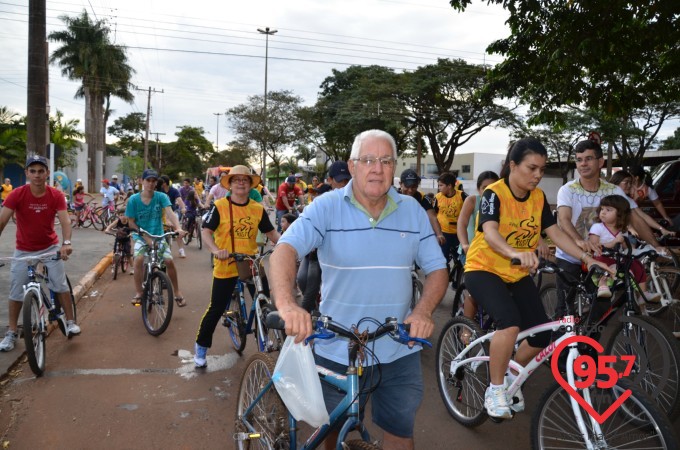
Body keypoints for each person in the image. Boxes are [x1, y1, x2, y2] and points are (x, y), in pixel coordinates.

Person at [269, 129, 448, 450]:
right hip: (335, 346)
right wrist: (288, 303)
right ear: (352, 166)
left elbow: (437, 269)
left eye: (385, 161)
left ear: (394, 167)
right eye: (367, 160)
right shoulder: (326, 207)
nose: (376, 168)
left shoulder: (412, 210)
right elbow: (285, 249)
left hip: (397, 348)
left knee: (400, 435)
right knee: (333, 433)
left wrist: (423, 311)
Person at [464, 138, 611, 419]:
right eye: (532, 168)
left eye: (542, 169)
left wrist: (588, 260)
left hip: (516, 273)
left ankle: (508, 377)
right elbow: (491, 232)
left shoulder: (538, 197)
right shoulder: (494, 194)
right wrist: (513, 252)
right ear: (512, 166)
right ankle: (494, 389)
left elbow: (555, 233)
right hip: (484, 269)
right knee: (509, 323)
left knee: (542, 334)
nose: (537, 175)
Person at [554, 139, 665, 318]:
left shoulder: (613, 190)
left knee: (602, 307)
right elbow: (564, 219)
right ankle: (562, 342)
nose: (583, 163)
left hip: (603, 257)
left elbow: (635, 218)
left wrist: (655, 244)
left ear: (600, 162)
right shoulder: (567, 190)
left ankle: (589, 343)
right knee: (565, 310)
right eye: (579, 159)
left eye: (588, 158)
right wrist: (579, 241)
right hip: (571, 255)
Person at [194, 165, 280, 367]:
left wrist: (286, 246)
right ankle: (201, 346)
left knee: (265, 303)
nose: (241, 183)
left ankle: (265, 340)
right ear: (230, 185)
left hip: (250, 263)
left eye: (245, 180)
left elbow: (272, 234)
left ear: (251, 185)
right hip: (226, 263)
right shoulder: (220, 206)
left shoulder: (257, 209)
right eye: (236, 180)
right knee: (216, 308)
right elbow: (206, 231)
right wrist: (216, 250)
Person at [0, 155, 80, 352]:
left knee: (60, 284)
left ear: (47, 173)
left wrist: (66, 243)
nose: (37, 175)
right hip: (23, 249)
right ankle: (11, 332)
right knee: (16, 290)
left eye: (41, 171)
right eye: (33, 171)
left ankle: (70, 322)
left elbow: (65, 221)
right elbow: (2, 221)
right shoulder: (17, 194)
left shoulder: (56, 195)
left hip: (49, 248)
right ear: (27, 173)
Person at [125, 169, 187, 307]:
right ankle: (139, 292)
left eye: (154, 181)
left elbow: (171, 213)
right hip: (140, 236)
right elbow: (131, 222)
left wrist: (178, 228)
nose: (151, 184)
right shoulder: (133, 200)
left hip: (158, 235)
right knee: (139, 260)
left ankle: (177, 292)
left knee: (169, 261)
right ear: (142, 181)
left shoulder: (161, 197)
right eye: (148, 180)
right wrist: (145, 237)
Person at [588, 194, 660, 302]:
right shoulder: (597, 227)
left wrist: (638, 249)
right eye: (602, 208)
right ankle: (602, 285)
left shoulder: (622, 230)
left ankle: (643, 294)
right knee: (602, 264)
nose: (603, 212)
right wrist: (614, 242)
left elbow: (626, 247)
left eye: (608, 210)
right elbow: (594, 246)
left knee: (636, 264)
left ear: (620, 214)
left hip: (617, 258)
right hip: (601, 257)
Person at [455, 170, 500, 324]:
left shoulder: (503, 202)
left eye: (494, 186)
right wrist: (465, 244)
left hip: (494, 253)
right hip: (472, 252)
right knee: (476, 292)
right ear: (478, 189)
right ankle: (466, 328)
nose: (489, 191)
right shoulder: (473, 201)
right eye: (485, 187)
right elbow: (462, 223)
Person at [609, 171, 675, 237]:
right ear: (616, 182)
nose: (629, 185)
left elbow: (642, 215)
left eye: (630, 183)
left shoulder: (628, 200)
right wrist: (631, 228)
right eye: (626, 182)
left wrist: (661, 229)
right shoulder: (607, 197)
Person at [433, 171, 468, 286]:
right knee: (442, 260)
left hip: (459, 234)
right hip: (444, 234)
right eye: (438, 185)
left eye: (441, 185)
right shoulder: (438, 197)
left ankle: (457, 282)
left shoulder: (462, 196)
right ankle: (443, 279)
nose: (439, 188)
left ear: (449, 186)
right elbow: (433, 215)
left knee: (461, 261)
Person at [398, 168, 443, 243]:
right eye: (407, 186)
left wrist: (439, 234)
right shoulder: (392, 196)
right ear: (400, 184)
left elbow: (432, 217)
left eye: (413, 187)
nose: (410, 190)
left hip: (415, 236)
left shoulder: (422, 198)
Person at [158, 175, 188, 258]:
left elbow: (179, 200)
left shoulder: (174, 191)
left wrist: (183, 208)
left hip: (171, 212)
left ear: (166, 183)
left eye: (162, 182)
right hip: (161, 213)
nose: (161, 184)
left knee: (177, 230)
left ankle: (181, 250)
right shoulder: (159, 190)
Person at [104, 207, 134, 275]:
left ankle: (132, 268)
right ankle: (114, 265)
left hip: (126, 239)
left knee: (128, 254)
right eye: (120, 215)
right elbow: (110, 226)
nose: (122, 216)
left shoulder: (129, 222)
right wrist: (107, 229)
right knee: (115, 252)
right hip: (118, 238)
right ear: (118, 216)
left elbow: (133, 229)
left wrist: (131, 234)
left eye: (124, 214)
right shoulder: (118, 221)